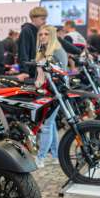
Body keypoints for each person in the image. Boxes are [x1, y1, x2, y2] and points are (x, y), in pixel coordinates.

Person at [34, 25, 68, 168]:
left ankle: (40, 158)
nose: (42, 37)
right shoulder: (42, 51)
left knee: (47, 125)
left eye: (46, 34)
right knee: (51, 123)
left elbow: (62, 74)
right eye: (40, 34)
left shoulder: (58, 51)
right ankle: (55, 155)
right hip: (46, 91)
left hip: (56, 92)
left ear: (52, 36)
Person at [17, 6, 48, 80]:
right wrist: (24, 71)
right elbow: (24, 52)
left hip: (38, 72)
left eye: (45, 19)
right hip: (30, 73)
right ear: (34, 18)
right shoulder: (26, 31)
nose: (45, 21)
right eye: (42, 19)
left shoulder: (39, 32)